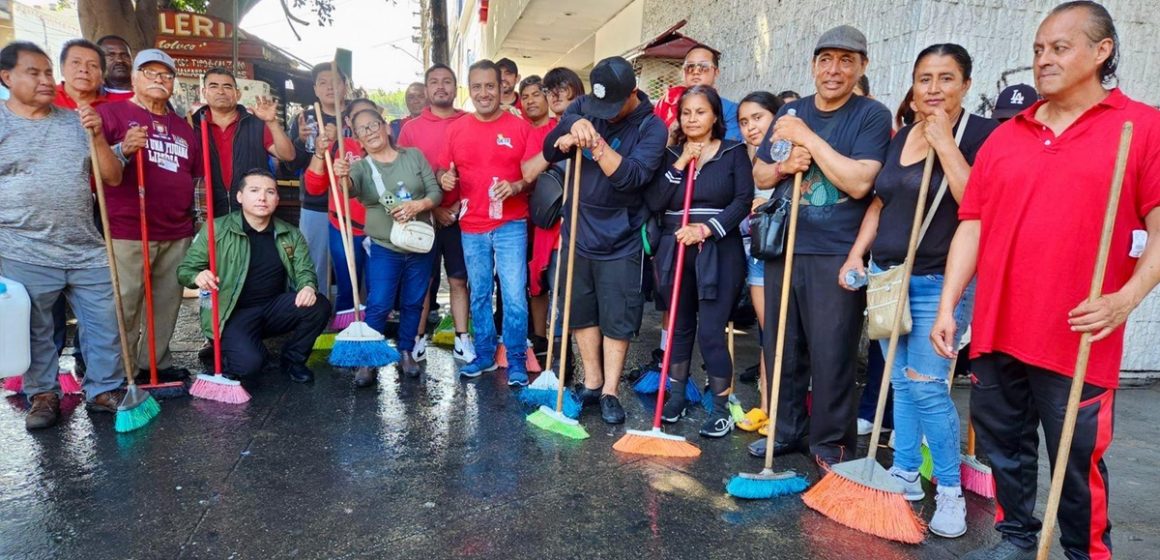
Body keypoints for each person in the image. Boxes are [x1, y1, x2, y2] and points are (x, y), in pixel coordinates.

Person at [935, 3, 1160, 558]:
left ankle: (1088, 553)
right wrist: (948, 307)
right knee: (1003, 446)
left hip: (1078, 332)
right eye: (1039, 49)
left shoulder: (1141, 127)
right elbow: (973, 225)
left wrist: (1125, 299)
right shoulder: (1008, 134)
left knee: (1077, 462)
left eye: (1059, 47)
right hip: (997, 325)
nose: (1044, 59)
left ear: (1102, 51)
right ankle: (1014, 539)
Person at [840, 44, 999, 538]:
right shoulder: (901, 135)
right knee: (901, 384)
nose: (933, 89)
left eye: (946, 78)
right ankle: (906, 473)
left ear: (966, 84)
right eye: (924, 79)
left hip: (938, 281)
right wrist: (857, 254)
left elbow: (978, 204)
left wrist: (947, 144)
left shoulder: (981, 135)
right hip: (889, 278)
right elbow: (880, 202)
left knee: (929, 387)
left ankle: (949, 489)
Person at [749, 25, 892, 466]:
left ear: (862, 66)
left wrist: (807, 139)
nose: (834, 70)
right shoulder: (791, 111)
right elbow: (760, 174)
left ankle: (831, 442)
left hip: (836, 249)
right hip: (785, 244)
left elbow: (859, 182)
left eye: (846, 60)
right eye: (826, 59)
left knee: (833, 349)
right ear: (813, 65)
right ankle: (788, 430)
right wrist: (784, 165)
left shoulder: (871, 115)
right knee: (783, 345)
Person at [0, 40, 126, 430]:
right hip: (23, 246)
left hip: (85, 244)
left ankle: (104, 388)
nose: (44, 81)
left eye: (46, 73)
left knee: (105, 320)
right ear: (7, 77)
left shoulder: (75, 121)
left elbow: (112, 176)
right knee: (38, 327)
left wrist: (98, 137)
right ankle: (43, 394)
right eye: (33, 73)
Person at [541, 56, 668, 424]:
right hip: (578, 229)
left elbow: (630, 177)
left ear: (632, 93)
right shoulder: (586, 106)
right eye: (599, 109)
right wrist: (572, 126)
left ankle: (611, 389)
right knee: (580, 311)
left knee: (617, 315)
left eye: (612, 107)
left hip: (622, 236)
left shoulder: (652, 127)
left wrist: (593, 141)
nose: (605, 114)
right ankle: (592, 381)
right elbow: (550, 149)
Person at [647, 85, 753, 437]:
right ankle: (677, 395)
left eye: (700, 112)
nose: (692, 119)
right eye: (686, 112)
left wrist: (707, 229)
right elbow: (656, 201)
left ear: (714, 117)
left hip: (719, 250)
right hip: (674, 248)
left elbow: (742, 201)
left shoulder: (734, 152)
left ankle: (720, 407)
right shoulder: (669, 156)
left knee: (710, 331)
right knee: (678, 328)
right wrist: (680, 162)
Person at [96, 49, 201, 384]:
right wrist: (123, 149)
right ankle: (120, 371)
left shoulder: (183, 129)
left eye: (166, 75)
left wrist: (194, 219)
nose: (159, 80)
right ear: (134, 78)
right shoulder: (111, 115)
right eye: (150, 73)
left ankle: (153, 363)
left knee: (166, 302)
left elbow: (193, 175)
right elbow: (96, 172)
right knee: (125, 304)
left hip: (177, 229)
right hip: (129, 229)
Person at [178, 169, 329, 384]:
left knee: (319, 305)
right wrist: (198, 276)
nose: (262, 197)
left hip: (272, 309)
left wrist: (307, 287)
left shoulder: (289, 233)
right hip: (230, 313)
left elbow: (305, 270)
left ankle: (293, 360)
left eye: (270, 192)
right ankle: (231, 348)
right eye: (254, 190)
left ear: (277, 199)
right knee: (250, 367)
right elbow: (184, 271)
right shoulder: (216, 229)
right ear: (240, 197)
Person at [437, 59, 535, 385]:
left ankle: (517, 358)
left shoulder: (520, 127)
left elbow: (533, 177)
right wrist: (445, 178)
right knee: (479, 293)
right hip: (472, 225)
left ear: (501, 87)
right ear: (470, 89)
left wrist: (517, 185)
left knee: (514, 295)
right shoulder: (456, 129)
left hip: (511, 224)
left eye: (489, 86)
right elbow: (443, 170)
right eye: (476, 86)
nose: (484, 93)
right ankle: (484, 354)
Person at [332, 109, 442, 384]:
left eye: (373, 125)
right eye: (362, 129)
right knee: (379, 303)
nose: (370, 132)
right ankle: (370, 357)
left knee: (414, 301)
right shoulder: (360, 167)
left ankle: (406, 351)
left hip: (419, 243)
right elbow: (349, 188)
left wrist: (418, 205)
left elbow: (435, 192)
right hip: (384, 246)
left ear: (386, 127)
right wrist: (341, 175)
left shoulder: (413, 155)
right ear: (357, 138)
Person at [397, 64, 471, 363]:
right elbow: (400, 178)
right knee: (422, 282)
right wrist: (434, 208)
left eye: (447, 81)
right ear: (426, 90)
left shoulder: (469, 122)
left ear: (456, 88)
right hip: (422, 218)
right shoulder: (411, 128)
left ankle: (462, 339)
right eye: (434, 82)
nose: (441, 87)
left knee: (458, 280)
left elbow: (476, 173)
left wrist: (453, 208)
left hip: (460, 217)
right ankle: (416, 339)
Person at [302, 98, 375, 332]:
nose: (367, 125)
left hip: (379, 230)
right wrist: (321, 152)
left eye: (372, 119)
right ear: (349, 122)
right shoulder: (338, 147)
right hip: (343, 227)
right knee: (347, 284)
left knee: (378, 286)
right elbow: (314, 187)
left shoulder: (389, 150)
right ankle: (347, 331)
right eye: (359, 119)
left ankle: (373, 330)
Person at [733, 91, 782, 429]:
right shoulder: (744, 162)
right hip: (756, 257)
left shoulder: (790, 155)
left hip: (786, 256)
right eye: (744, 122)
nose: (751, 127)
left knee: (785, 334)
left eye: (758, 118)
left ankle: (783, 411)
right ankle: (766, 406)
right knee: (768, 334)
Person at [286, 62, 350, 310]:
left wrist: (343, 138)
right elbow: (293, 164)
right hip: (316, 203)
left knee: (353, 265)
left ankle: (355, 320)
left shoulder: (356, 115)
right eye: (322, 82)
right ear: (315, 88)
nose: (329, 87)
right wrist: (301, 141)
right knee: (313, 263)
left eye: (335, 81)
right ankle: (316, 318)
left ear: (345, 86)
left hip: (351, 204)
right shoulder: (305, 118)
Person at [192, 67, 295, 216]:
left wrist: (272, 122)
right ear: (204, 93)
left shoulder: (256, 124)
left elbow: (288, 155)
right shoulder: (192, 125)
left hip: (250, 212)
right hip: (206, 211)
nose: (221, 91)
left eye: (227, 87)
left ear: (237, 94)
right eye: (213, 86)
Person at [518, 75, 560, 356]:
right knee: (532, 278)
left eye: (536, 94)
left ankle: (560, 340)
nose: (531, 100)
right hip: (523, 214)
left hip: (556, 214)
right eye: (526, 96)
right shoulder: (519, 131)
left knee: (555, 276)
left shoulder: (561, 127)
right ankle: (539, 336)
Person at [653, 45, 741, 141]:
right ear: (683, 72)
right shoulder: (666, 102)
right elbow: (652, 140)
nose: (695, 72)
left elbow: (730, 148)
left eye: (703, 67)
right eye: (690, 67)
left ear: (716, 73)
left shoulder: (730, 110)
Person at [53, 39, 108, 109]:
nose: (84, 69)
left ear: (102, 77)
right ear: (62, 69)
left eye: (92, 65)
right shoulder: (43, 98)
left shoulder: (110, 110)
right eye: (76, 62)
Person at [95, 35, 134, 100]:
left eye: (124, 55)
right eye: (111, 55)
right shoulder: (92, 96)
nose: (119, 60)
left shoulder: (148, 93)